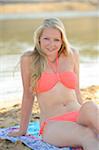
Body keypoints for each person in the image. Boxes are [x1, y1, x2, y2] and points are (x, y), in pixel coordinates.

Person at [8, 17, 99, 150]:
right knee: (87, 134)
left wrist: (87, 114)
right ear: (39, 38)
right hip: (53, 122)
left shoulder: (72, 54)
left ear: (62, 41)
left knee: (90, 106)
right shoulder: (29, 59)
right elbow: (28, 96)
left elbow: (76, 90)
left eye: (56, 39)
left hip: (78, 113)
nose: (51, 44)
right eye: (46, 39)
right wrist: (22, 130)